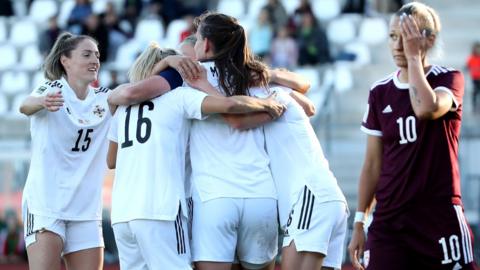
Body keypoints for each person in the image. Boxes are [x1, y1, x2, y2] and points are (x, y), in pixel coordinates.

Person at [106, 43, 285, 270]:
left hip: (123, 213)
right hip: (162, 210)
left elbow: (111, 160)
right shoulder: (179, 97)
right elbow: (228, 105)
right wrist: (266, 103)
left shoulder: (123, 109)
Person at [347, 3, 477, 270]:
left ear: (428, 39)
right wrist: (360, 221)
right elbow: (373, 164)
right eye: (394, 36)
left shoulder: (449, 79)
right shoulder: (380, 92)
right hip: (389, 223)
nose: (398, 45)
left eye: (407, 36)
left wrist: (415, 58)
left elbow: (426, 108)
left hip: (438, 218)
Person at [19, 32, 111, 270]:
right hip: (46, 206)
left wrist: (168, 62)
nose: (95, 61)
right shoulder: (52, 89)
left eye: (97, 56)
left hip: (86, 210)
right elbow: (25, 105)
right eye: (87, 54)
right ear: (65, 60)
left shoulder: (104, 98)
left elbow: (134, 92)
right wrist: (42, 103)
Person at [248, 84, 348, 270]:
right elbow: (310, 106)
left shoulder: (263, 94)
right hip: (327, 197)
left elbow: (235, 120)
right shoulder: (274, 89)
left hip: (310, 197)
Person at [466, 41, 480, 112]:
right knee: (475, 92)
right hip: (475, 79)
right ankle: (474, 107)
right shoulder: (471, 58)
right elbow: (467, 66)